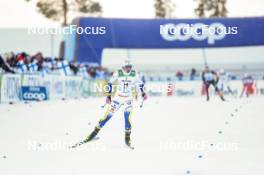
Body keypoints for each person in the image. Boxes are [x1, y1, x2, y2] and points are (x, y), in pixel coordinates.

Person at [77, 61, 147, 148]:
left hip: (128, 99)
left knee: (127, 118)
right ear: (123, 67)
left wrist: (143, 93)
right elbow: (110, 84)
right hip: (118, 98)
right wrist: (108, 96)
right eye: (126, 67)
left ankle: (127, 138)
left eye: (130, 67)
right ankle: (94, 133)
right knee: (107, 117)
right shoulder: (118, 73)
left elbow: (140, 84)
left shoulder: (134, 74)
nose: (128, 68)